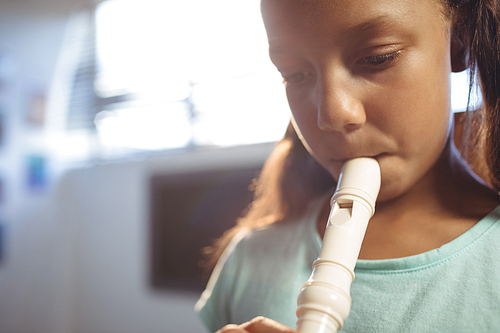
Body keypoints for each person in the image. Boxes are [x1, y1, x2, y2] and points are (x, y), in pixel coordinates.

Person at [195, 0, 500, 332]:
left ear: (459, 38)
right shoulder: (250, 257)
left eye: (377, 57)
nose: (332, 115)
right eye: (294, 74)